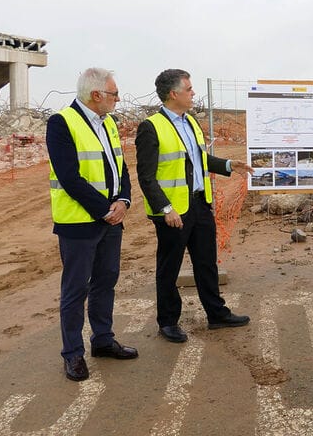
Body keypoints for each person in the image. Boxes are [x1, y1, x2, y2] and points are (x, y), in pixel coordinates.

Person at [136, 69, 254, 343]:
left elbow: (198, 159)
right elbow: (146, 176)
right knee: (169, 267)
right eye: (189, 89)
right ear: (173, 94)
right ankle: (167, 322)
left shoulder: (189, 123)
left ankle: (217, 314)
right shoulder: (151, 127)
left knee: (206, 263)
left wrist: (227, 165)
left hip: (199, 204)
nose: (193, 93)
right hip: (173, 211)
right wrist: (166, 209)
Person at [46, 67, 138, 382]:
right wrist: (104, 209)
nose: (118, 98)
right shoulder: (62, 123)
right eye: (114, 93)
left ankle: (103, 340)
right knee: (75, 289)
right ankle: (72, 354)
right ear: (95, 94)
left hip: (111, 220)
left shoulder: (108, 122)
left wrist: (123, 201)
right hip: (79, 224)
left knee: (105, 281)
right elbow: (69, 177)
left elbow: (121, 167)